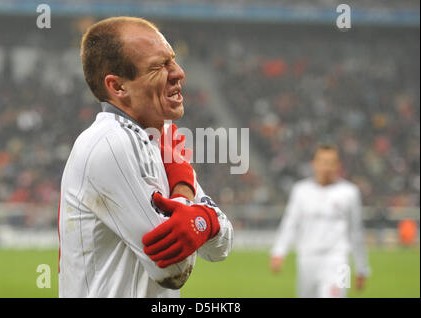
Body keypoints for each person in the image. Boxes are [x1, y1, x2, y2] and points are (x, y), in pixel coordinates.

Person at [58, 16, 233, 298]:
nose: (179, 73)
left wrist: (204, 220)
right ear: (117, 87)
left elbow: (221, 246)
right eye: (158, 66)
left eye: (172, 60)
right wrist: (184, 188)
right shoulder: (110, 143)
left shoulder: (159, 144)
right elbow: (172, 270)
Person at [269, 144, 370, 298]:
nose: (327, 167)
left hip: (340, 260)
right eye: (323, 162)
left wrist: (362, 267)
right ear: (314, 164)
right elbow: (290, 223)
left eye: (331, 162)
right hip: (307, 259)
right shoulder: (301, 190)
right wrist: (279, 251)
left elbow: (356, 232)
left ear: (338, 165)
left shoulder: (350, 192)